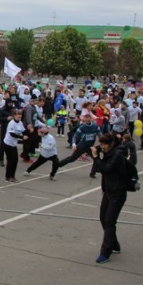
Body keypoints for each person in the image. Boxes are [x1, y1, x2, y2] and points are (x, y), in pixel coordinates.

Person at [91, 133, 127, 264]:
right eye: (101, 144)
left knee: (110, 221)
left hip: (118, 192)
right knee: (103, 218)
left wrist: (96, 157)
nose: (102, 147)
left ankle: (105, 252)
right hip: (108, 191)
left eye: (104, 144)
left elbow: (106, 169)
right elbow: (101, 168)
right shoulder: (108, 153)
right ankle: (114, 244)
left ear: (111, 144)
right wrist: (98, 152)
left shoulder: (117, 155)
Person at [57, 112, 102, 179]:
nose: (87, 121)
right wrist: (73, 144)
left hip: (90, 146)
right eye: (86, 120)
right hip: (82, 146)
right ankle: (58, 164)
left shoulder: (95, 126)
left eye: (88, 120)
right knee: (72, 158)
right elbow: (75, 136)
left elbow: (100, 133)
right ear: (84, 120)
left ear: (91, 119)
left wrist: (102, 141)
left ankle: (93, 173)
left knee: (96, 159)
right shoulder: (82, 127)